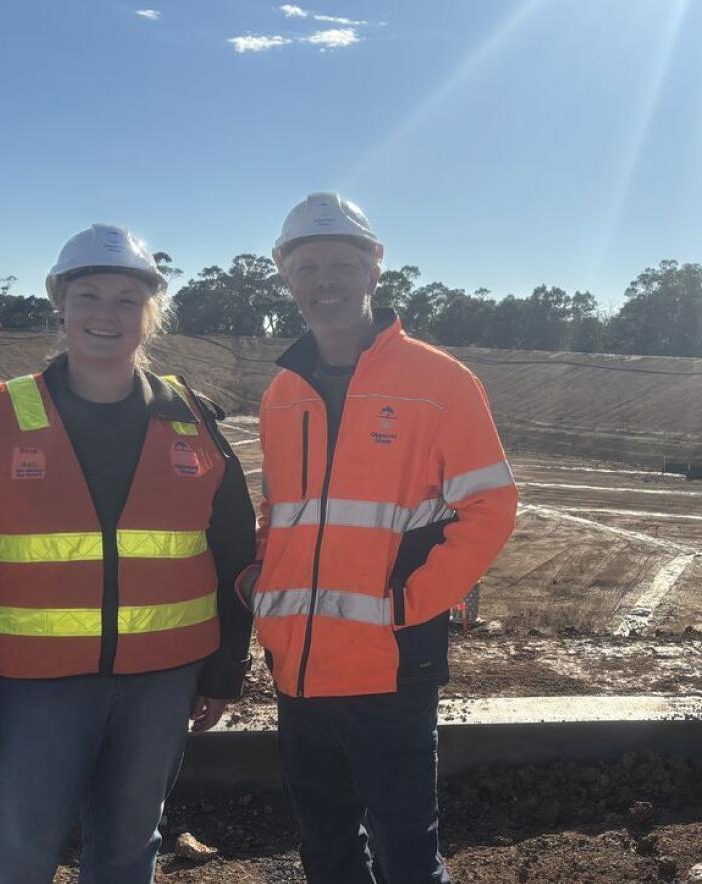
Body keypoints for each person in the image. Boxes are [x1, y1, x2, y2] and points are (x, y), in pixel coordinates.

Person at [0, 224, 256, 883]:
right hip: (26, 693)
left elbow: (234, 555)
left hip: (161, 685)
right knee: (16, 858)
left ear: (151, 313)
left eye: (128, 299)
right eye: (88, 294)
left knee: (129, 853)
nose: (106, 314)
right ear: (60, 306)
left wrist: (221, 673)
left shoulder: (193, 418)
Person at [243, 193, 517, 883]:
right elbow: (280, 511)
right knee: (325, 846)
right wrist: (262, 590)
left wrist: (410, 602)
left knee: (405, 854)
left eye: (342, 263)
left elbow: (491, 505)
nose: (324, 280)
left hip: (390, 659)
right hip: (298, 666)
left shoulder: (440, 381)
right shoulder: (281, 391)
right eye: (307, 265)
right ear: (285, 275)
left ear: (374, 270)